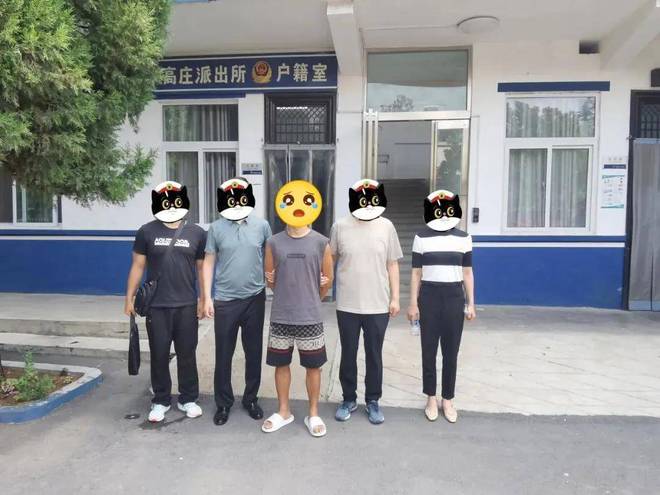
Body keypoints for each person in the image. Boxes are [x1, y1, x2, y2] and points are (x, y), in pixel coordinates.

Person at [124, 181, 206, 423]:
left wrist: (204, 299)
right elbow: (137, 266)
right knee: (159, 354)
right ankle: (160, 400)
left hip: (186, 304)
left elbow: (202, 269)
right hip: (157, 306)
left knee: (187, 353)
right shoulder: (146, 231)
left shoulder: (197, 233)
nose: (171, 206)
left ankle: (188, 398)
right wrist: (128, 298)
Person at [261, 180, 333, 437]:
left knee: (313, 367)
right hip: (281, 315)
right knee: (281, 365)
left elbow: (327, 281)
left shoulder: (321, 242)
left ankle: (313, 414)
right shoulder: (273, 242)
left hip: (310, 317)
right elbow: (270, 279)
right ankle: (284, 411)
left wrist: (313, 297)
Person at [330, 179, 403, 424]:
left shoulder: (386, 226)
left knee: (374, 355)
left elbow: (392, 264)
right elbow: (330, 260)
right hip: (347, 304)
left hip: (378, 304)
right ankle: (348, 399)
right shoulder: (340, 226)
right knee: (348, 354)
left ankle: (373, 400)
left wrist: (395, 298)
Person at [201, 177, 271, 426]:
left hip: (255, 298)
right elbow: (208, 262)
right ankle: (223, 404)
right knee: (224, 354)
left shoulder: (262, 225)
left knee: (253, 352)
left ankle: (251, 399)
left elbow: (270, 257)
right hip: (225, 300)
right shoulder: (216, 228)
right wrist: (207, 297)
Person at [407, 189, 476, 423]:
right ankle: (430, 398)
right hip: (429, 296)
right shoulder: (421, 237)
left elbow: (467, 272)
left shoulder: (464, 238)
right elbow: (416, 273)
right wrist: (413, 303)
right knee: (428, 350)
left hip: (454, 296)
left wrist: (471, 303)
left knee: (451, 352)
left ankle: (447, 399)